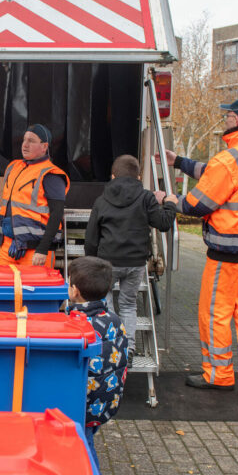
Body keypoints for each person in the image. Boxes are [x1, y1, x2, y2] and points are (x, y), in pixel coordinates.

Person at [163, 97, 238, 398]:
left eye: (227, 116)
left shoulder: (231, 159)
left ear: (236, 120)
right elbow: (213, 172)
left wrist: (171, 201)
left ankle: (218, 373)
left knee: (214, 313)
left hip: (227, 252)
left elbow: (198, 204)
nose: (224, 120)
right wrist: (179, 162)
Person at [84, 154, 177, 366]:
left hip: (108, 262)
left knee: (105, 303)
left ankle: (109, 343)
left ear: (113, 175)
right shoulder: (146, 198)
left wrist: (91, 260)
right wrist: (170, 203)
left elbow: (91, 237)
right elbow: (163, 223)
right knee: (128, 304)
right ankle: (129, 347)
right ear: (138, 176)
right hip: (135, 263)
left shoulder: (102, 200)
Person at [67, 256, 128, 475]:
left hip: (81, 404)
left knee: (84, 446)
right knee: (87, 438)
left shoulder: (73, 324)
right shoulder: (113, 318)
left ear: (74, 291)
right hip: (106, 400)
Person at [0, 124, 69, 267]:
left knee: (33, 290)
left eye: (31, 141)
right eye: (24, 140)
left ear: (44, 146)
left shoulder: (51, 174)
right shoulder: (14, 167)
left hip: (35, 252)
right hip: (8, 247)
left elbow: (56, 214)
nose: (25, 145)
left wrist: (42, 249)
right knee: (3, 289)